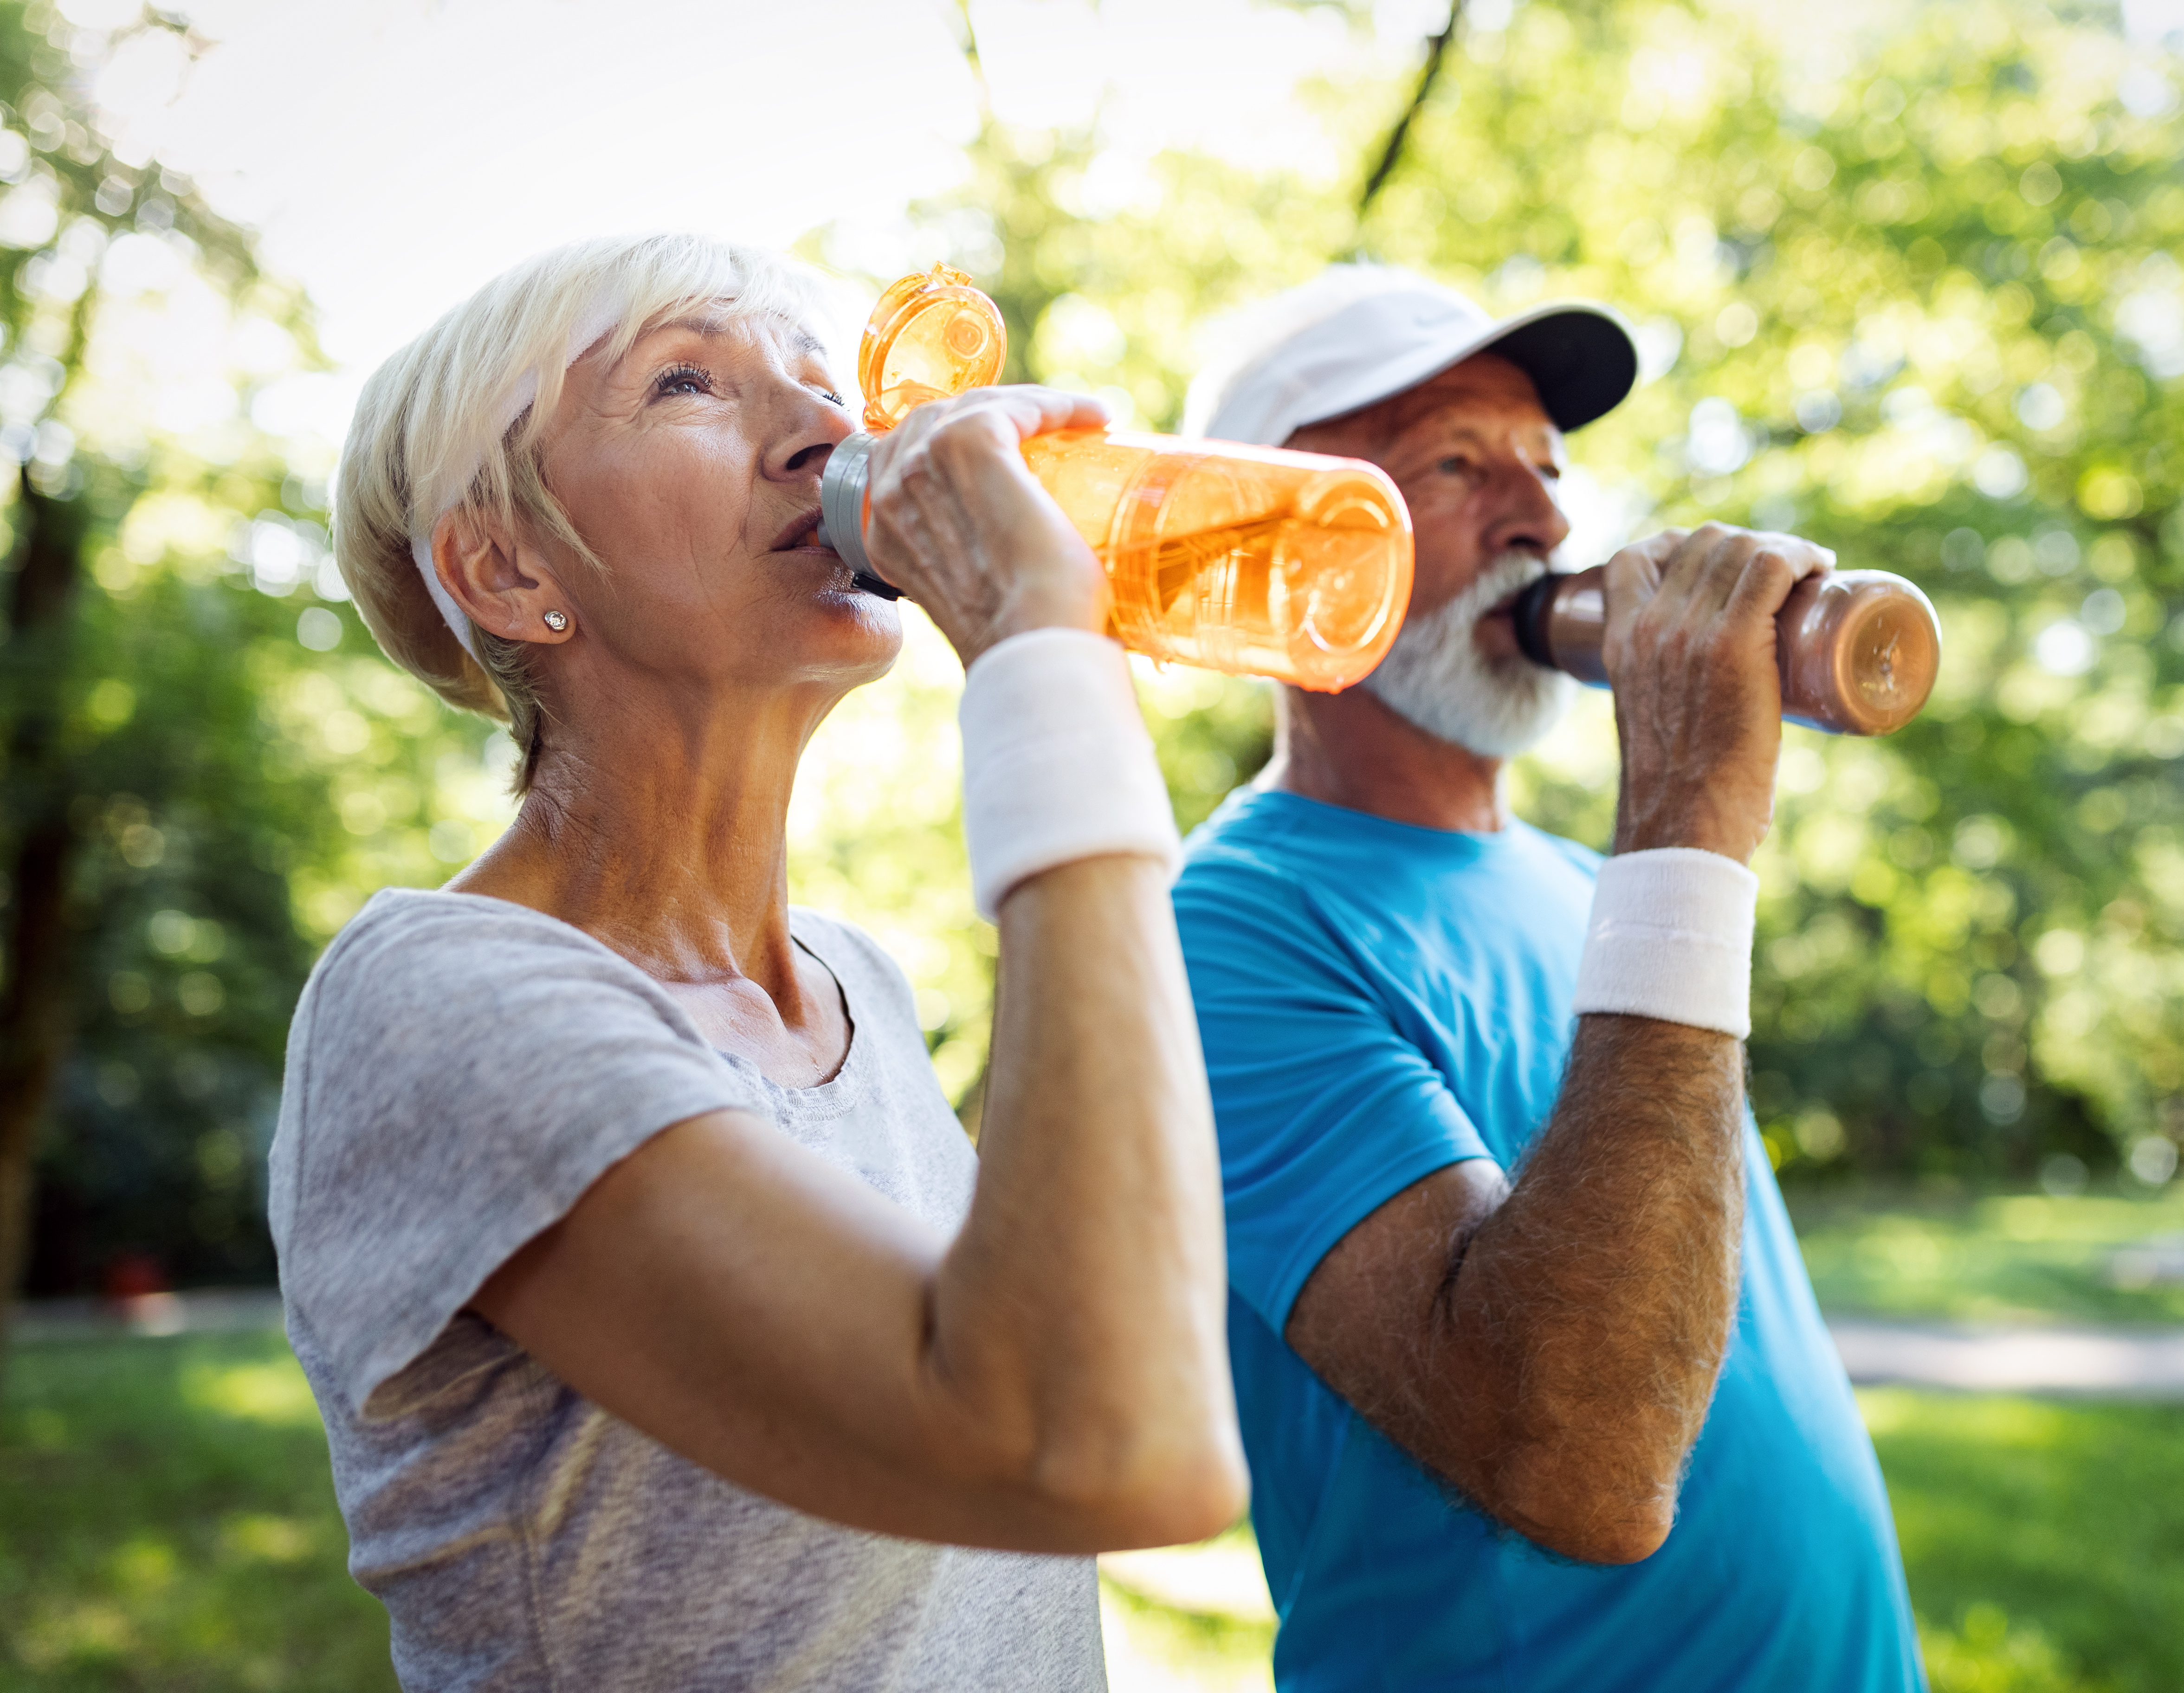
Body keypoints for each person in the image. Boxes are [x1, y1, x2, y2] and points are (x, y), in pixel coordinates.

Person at [272, 233, 1247, 1691]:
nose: (832, 433)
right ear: (509, 564)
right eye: (689, 382)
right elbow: (1108, 1440)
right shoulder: (436, 1002)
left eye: (824, 382)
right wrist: (1048, 657)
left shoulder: (861, 985)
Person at [1170, 266, 1926, 1690]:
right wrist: (1692, 814)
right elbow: (1581, 1462)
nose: (1545, 520)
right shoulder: (1227, 928)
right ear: (1264, 551)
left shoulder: (1598, 890)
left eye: (1548, 465)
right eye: (1455, 464)